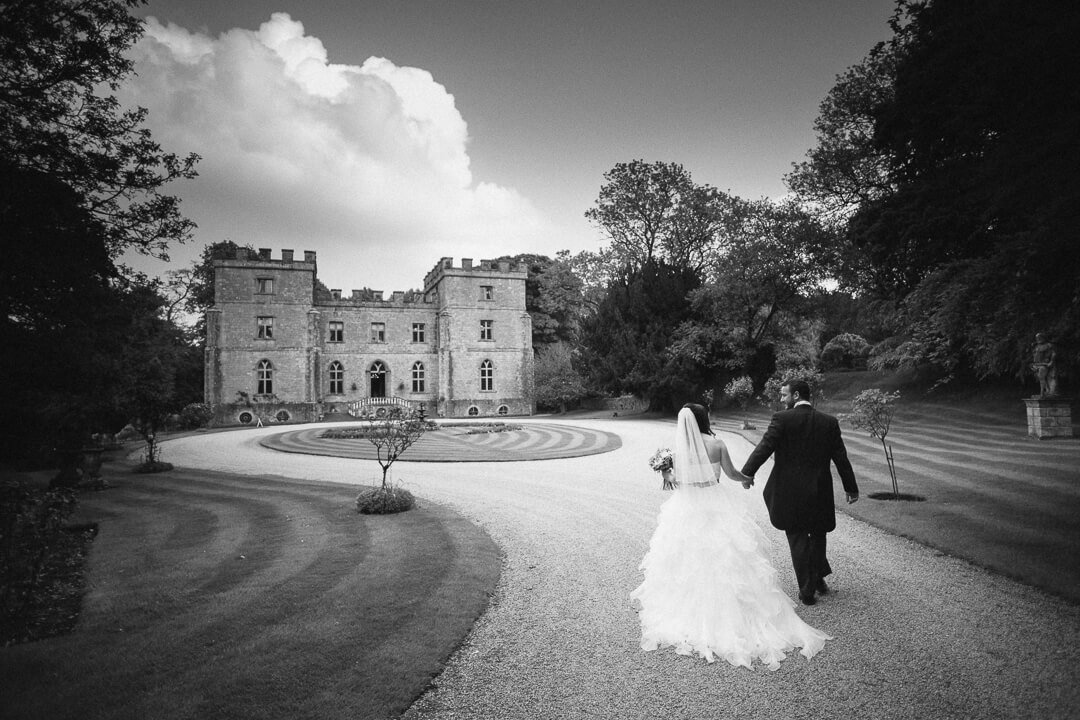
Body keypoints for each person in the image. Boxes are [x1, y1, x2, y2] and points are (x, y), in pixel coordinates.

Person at [631, 403, 832, 670]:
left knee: (685, 555)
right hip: (716, 503)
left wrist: (667, 472)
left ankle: (692, 612)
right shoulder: (717, 445)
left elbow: (680, 481)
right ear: (704, 419)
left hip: (687, 508)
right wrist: (746, 478)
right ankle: (739, 613)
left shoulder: (679, 451)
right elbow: (732, 474)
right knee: (728, 553)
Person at [740, 379, 859, 606]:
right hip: (819, 490)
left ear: (795, 396)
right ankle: (818, 579)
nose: (781, 399)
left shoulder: (781, 419)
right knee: (817, 535)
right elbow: (841, 458)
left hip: (790, 491)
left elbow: (765, 447)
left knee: (797, 537)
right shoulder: (829, 422)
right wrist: (851, 488)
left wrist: (748, 473)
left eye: (784, 395)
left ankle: (807, 591)